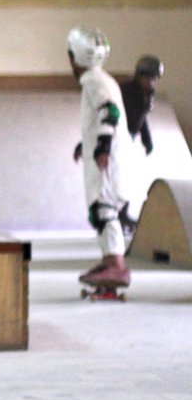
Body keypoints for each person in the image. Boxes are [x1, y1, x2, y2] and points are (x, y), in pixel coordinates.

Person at [67, 26, 134, 289]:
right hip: (106, 153)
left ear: (75, 57)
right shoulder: (100, 79)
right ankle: (109, 260)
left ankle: (116, 264)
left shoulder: (94, 82)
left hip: (108, 158)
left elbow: (110, 112)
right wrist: (86, 143)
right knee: (100, 211)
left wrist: (103, 146)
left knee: (104, 209)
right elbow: (100, 118)